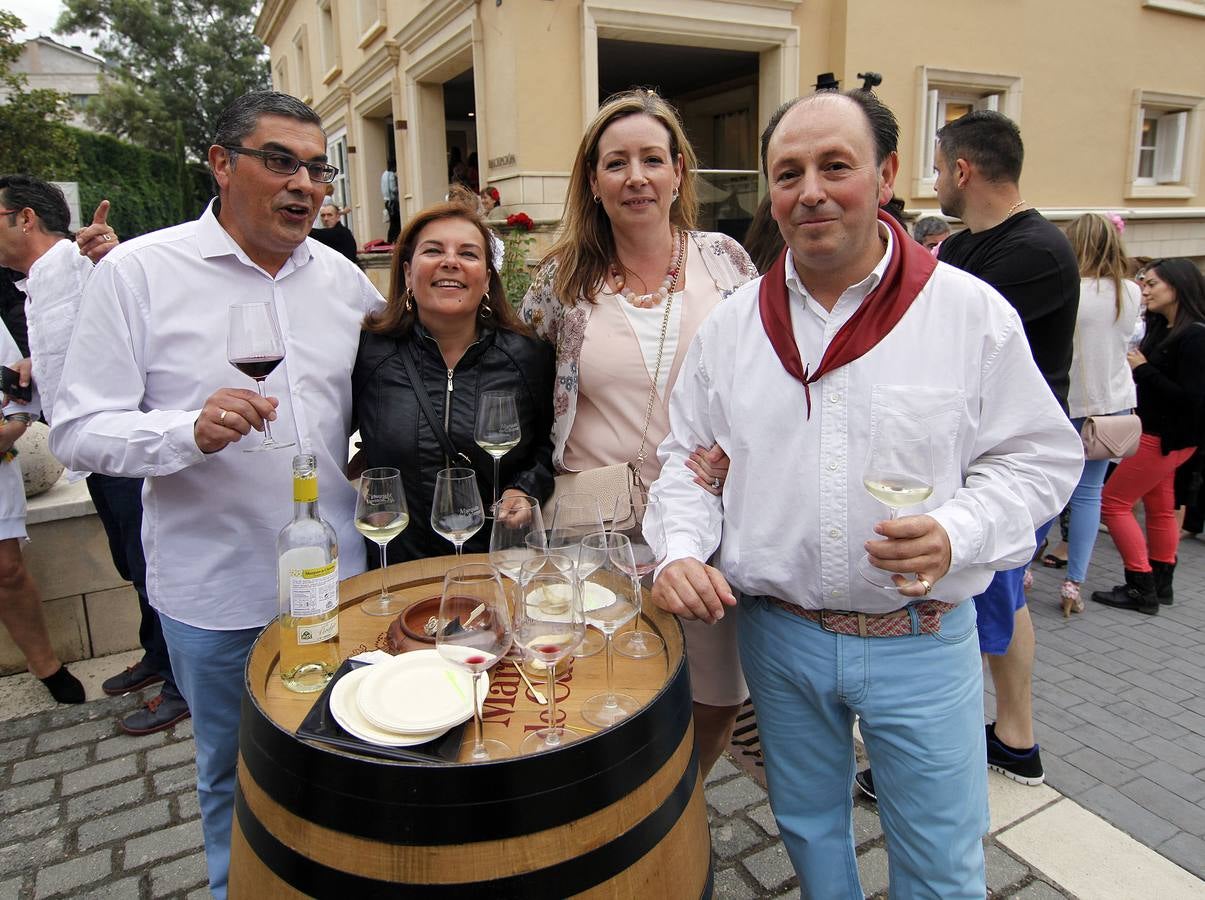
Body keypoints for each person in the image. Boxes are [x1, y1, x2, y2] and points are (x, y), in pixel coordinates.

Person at [647, 88, 1081, 898]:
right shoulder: (733, 329)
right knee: (810, 830)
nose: (808, 189)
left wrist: (959, 527)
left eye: (833, 166)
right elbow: (687, 463)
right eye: (788, 172)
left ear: (883, 176)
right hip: (778, 637)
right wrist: (677, 548)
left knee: (942, 858)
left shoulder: (966, 313)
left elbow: (1036, 461)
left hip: (920, 637)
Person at [49, 91, 383, 899]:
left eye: (316, 167)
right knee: (236, 779)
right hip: (219, 593)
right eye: (280, 161)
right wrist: (182, 434)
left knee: (355, 761)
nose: (303, 183)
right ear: (222, 164)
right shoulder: (139, 273)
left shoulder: (341, 279)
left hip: (340, 585)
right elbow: (76, 429)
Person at [519, 88, 759, 777]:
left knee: (716, 691)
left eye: (652, 159)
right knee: (601, 682)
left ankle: (680, 795)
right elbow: (520, 389)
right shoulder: (560, 281)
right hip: (598, 527)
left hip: (708, 519)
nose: (636, 177)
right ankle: (612, 808)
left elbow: (773, 373)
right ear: (592, 181)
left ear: (678, 171)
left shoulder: (726, 263)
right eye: (615, 163)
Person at [0, 175, 186, 729]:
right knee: (131, 562)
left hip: (125, 442)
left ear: (24, 218)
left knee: (151, 563)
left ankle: (183, 681)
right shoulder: (35, 284)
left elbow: (129, 287)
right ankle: (157, 654)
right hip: (92, 455)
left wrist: (108, 249)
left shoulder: (77, 263)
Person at [927, 109, 1079, 788]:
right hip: (959, 459)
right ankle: (1014, 739)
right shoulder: (961, 247)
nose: (935, 181)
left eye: (936, 167)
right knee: (999, 598)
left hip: (1008, 466)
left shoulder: (1035, 251)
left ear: (962, 169)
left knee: (978, 600)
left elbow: (937, 343)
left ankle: (960, 751)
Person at [353, 199, 555, 559]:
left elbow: (549, 446)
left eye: (468, 253)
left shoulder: (526, 356)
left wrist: (524, 489)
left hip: (497, 566)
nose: (450, 261)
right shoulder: (369, 354)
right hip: (400, 572)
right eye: (433, 251)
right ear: (406, 274)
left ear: (488, 278)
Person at [1091, 258, 1205, 614]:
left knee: (1113, 503)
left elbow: (1190, 398)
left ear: (1178, 287)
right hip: (1161, 435)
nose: (1145, 289)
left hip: (1165, 437)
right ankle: (1161, 581)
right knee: (1160, 507)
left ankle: (1141, 586)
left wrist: (1144, 369)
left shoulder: (1195, 335)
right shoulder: (1163, 326)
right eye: (1143, 282)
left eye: (1153, 284)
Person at [1048, 213, 1142, 615]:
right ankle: (1074, 584)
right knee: (1089, 496)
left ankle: (1020, 573)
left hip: (1073, 402)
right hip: (1114, 405)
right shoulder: (1131, 291)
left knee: (1048, 491)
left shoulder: (1072, 290)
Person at [309, 200, 359, 265]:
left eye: (329, 215)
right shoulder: (331, 233)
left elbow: (317, 234)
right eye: (323, 215)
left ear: (338, 217)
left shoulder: (342, 232)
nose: (326, 219)